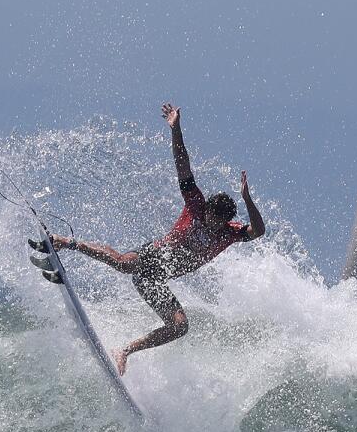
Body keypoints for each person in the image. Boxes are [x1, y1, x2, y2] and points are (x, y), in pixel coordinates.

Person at [38, 102, 266, 376]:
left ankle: (124, 351)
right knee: (123, 263)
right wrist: (176, 129)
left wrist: (248, 199)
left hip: (155, 280)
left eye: (217, 222)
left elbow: (259, 231)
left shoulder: (230, 233)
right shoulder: (195, 204)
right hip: (154, 254)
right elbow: (183, 164)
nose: (212, 225)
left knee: (180, 326)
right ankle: (67, 243)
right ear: (206, 211)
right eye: (210, 218)